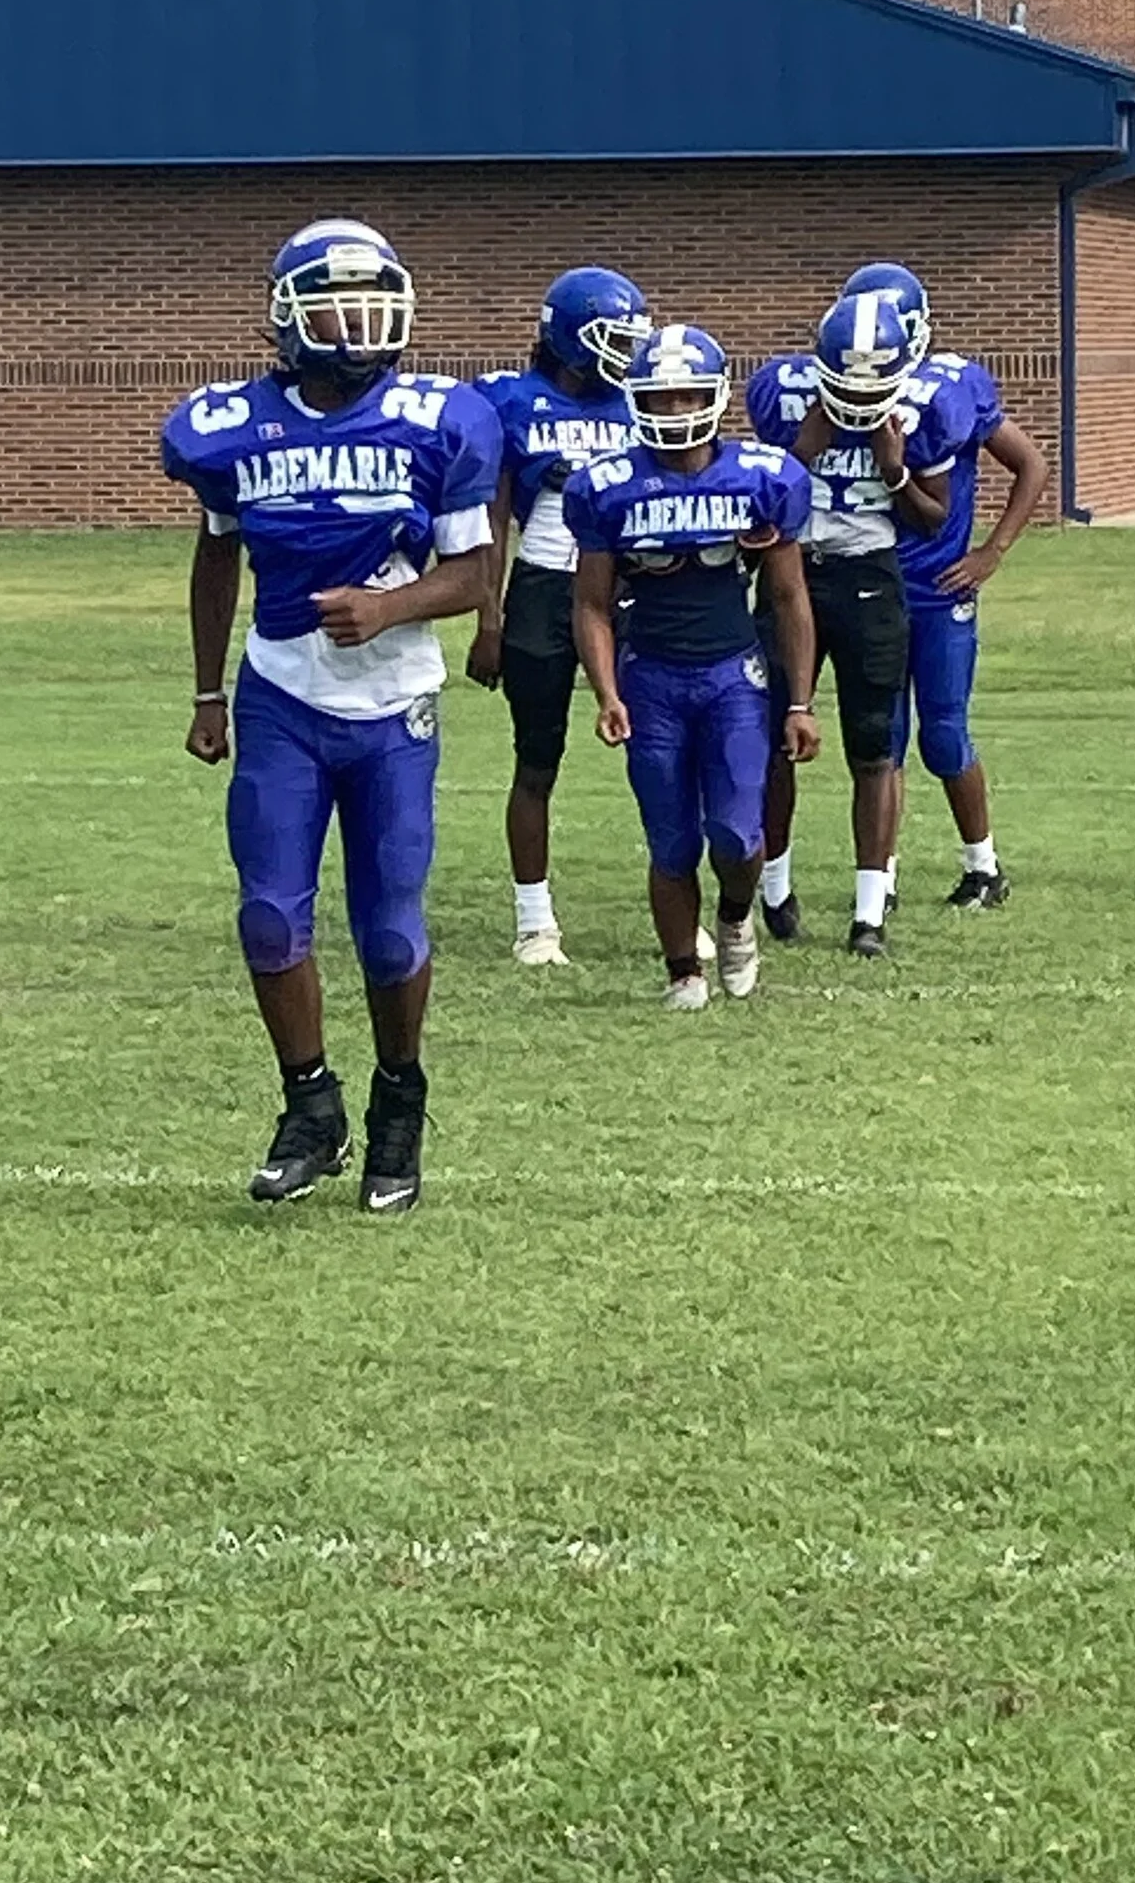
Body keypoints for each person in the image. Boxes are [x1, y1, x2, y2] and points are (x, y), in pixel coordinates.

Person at [166, 217, 499, 1211]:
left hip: (393, 701)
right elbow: (217, 553)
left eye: (371, 307)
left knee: (389, 929)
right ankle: (310, 1104)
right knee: (270, 915)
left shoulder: (440, 419)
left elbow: (475, 573)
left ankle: (399, 1101)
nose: (359, 328)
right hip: (281, 692)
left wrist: (389, 608)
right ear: (287, 317)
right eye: (337, 309)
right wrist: (208, 690)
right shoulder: (230, 426)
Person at [566, 326, 818, 1008]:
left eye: (687, 396)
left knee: (737, 832)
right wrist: (606, 691)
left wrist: (800, 702)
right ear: (638, 399)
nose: (675, 409)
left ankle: (735, 916)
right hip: (650, 677)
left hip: (733, 675)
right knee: (671, 840)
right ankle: (683, 969)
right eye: (662, 396)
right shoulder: (608, 485)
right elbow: (590, 603)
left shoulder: (762, 477)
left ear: (714, 397)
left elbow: (789, 596)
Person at [827, 259, 1047, 915]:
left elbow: (1031, 464)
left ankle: (983, 866)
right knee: (882, 737)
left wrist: (991, 551)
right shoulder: (831, 389)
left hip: (937, 587)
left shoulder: (951, 389)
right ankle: (882, 876)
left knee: (944, 733)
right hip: (871, 585)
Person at [743, 292, 958, 955]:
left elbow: (934, 519)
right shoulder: (780, 393)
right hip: (793, 571)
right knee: (774, 737)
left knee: (874, 745)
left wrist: (894, 472)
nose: (860, 399)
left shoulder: (922, 407)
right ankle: (774, 889)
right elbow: (753, 509)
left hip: (870, 574)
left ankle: (869, 914)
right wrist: (799, 457)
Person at [465, 263, 652, 967]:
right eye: (613, 338)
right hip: (543, 587)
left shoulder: (637, 402)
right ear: (572, 336)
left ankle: (678, 906)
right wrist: (488, 619)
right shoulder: (511, 402)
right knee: (536, 758)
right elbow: (492, 519)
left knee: (659, 753)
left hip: (627, 588)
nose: (625, 354)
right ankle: (534, 920)